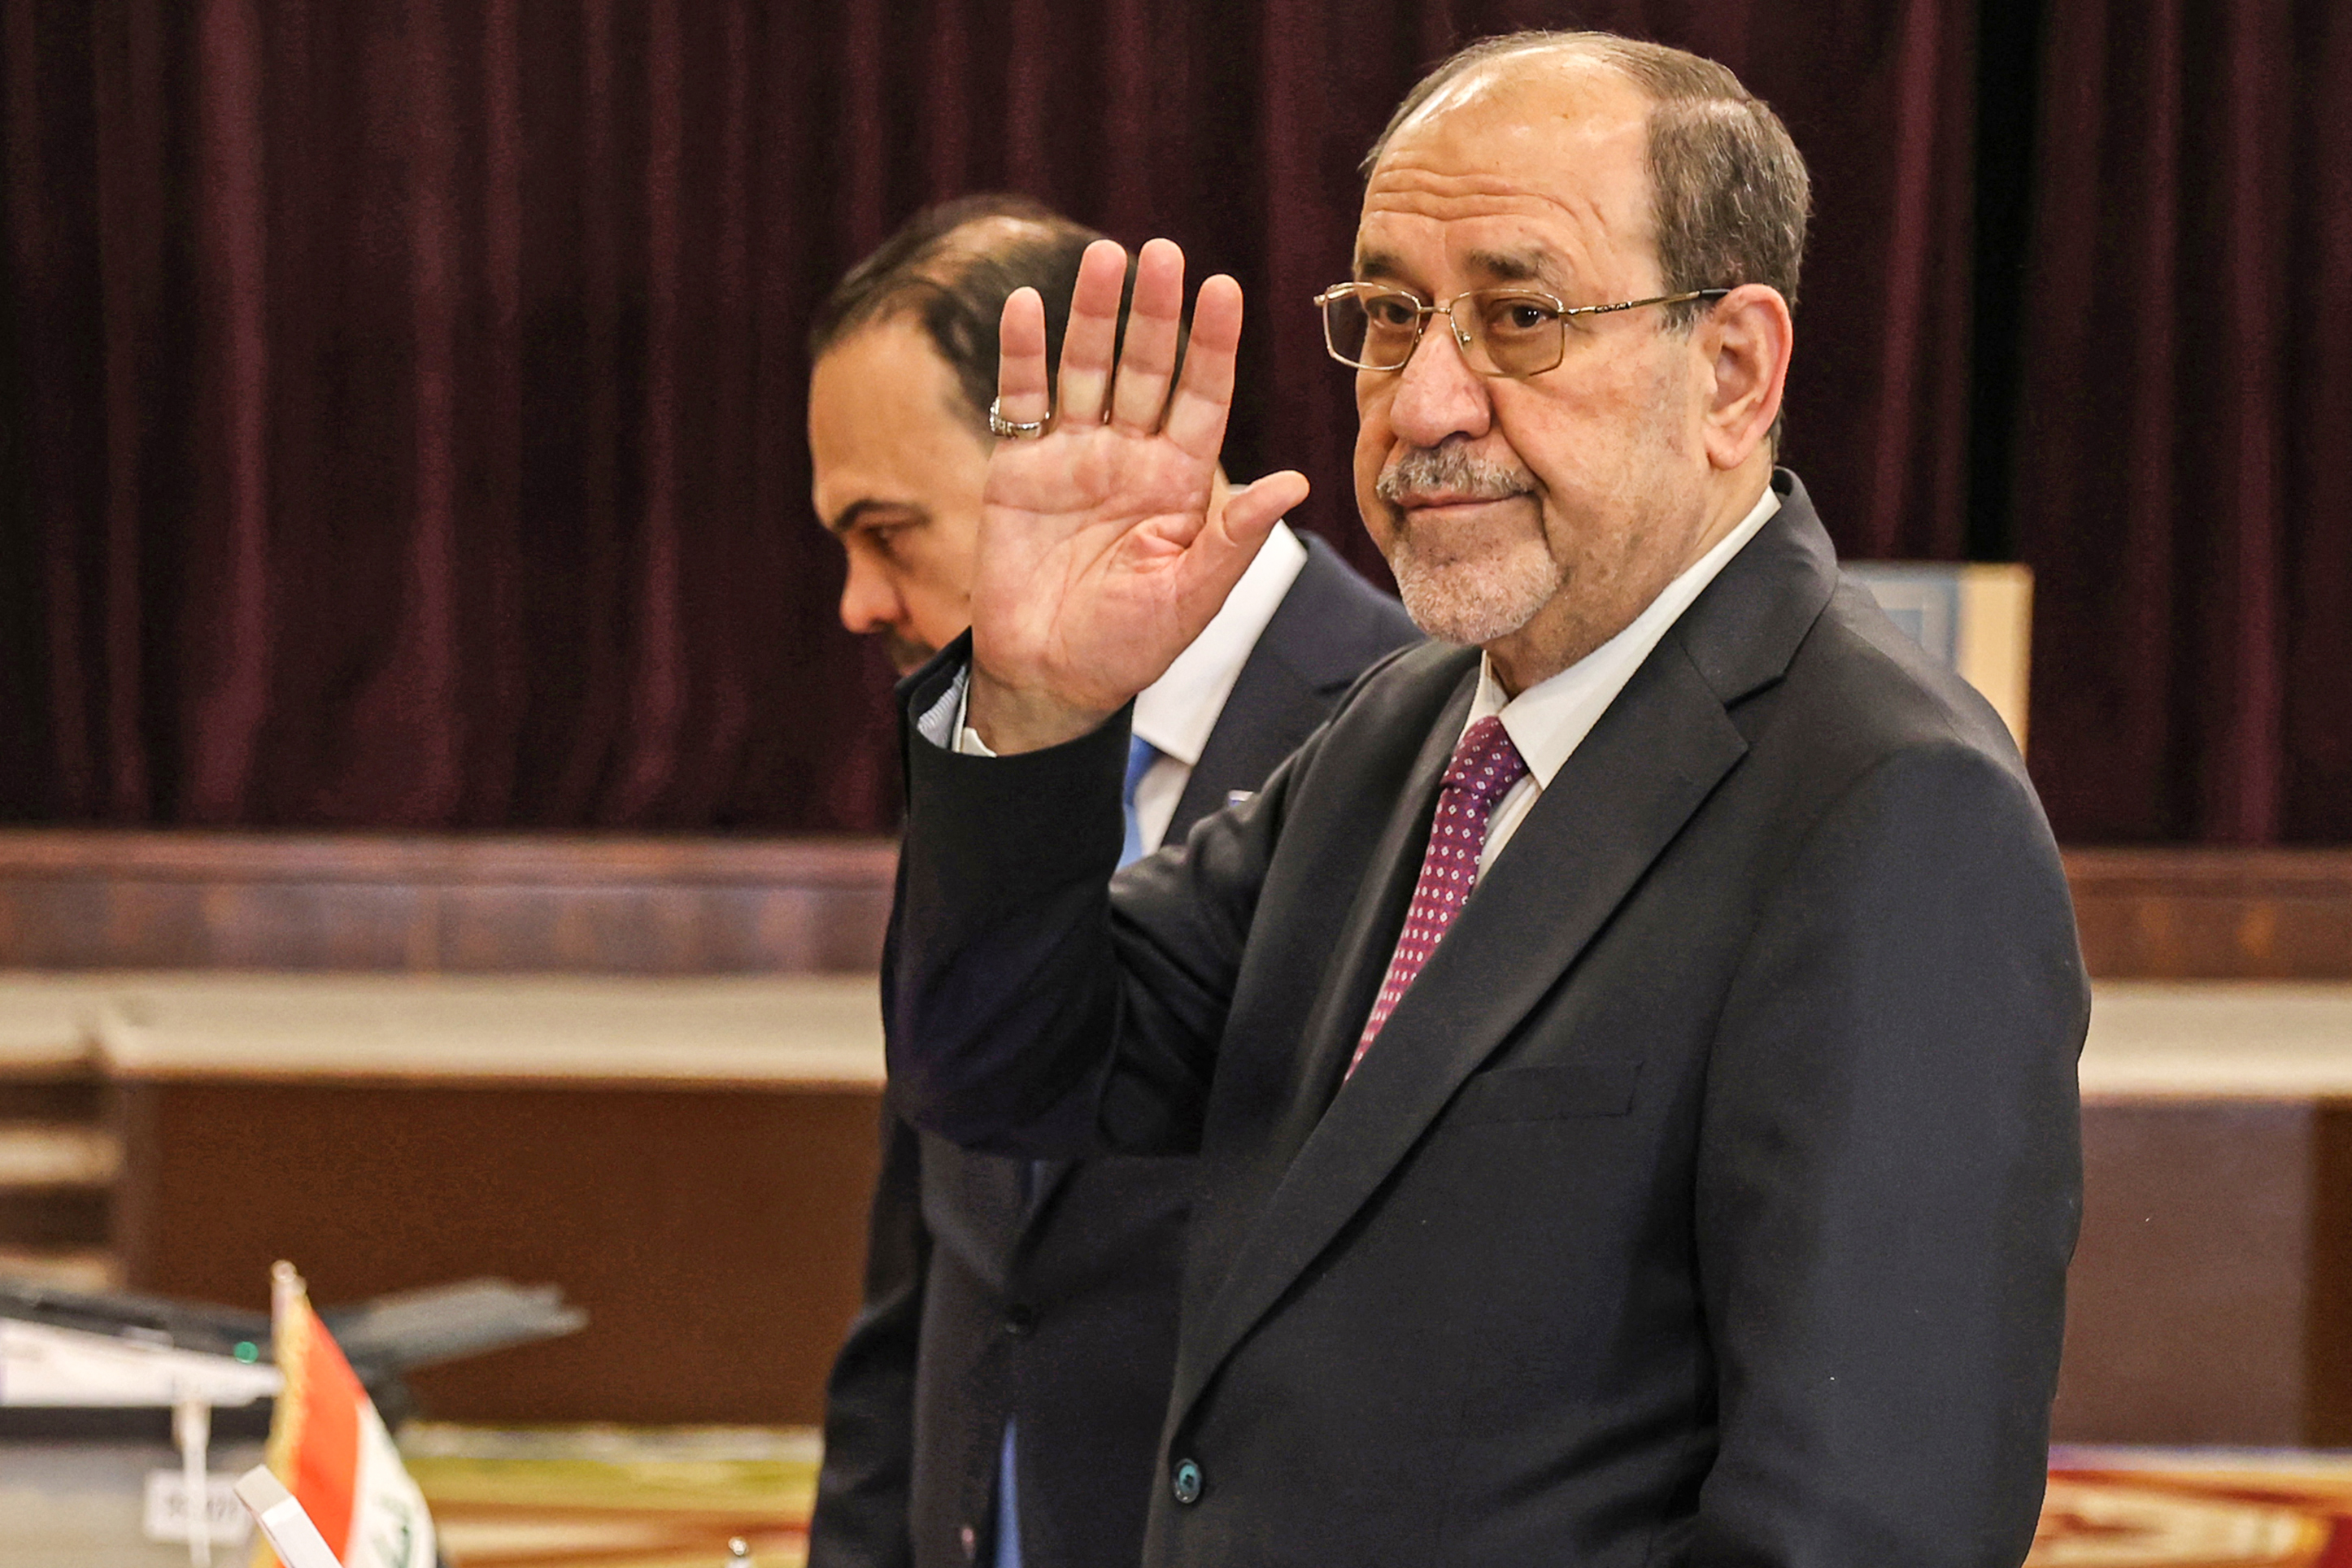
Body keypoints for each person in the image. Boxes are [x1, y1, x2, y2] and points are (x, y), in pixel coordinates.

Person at [882, 32, 2087, 1568]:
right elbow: (1009, 1070)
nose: (1425, 403)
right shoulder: (1407, 728)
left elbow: (1863, 1527)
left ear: (1733, 372)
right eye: (1393, 317)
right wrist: (1038, 712)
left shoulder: (1894, 806)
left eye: (1522, 318)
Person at [800, 195, 1420, 1568]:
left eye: (888, 530)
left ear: (1083, 449)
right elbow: (925, 1280)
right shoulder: (978, 740)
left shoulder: (1414, 745)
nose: (857, 600)